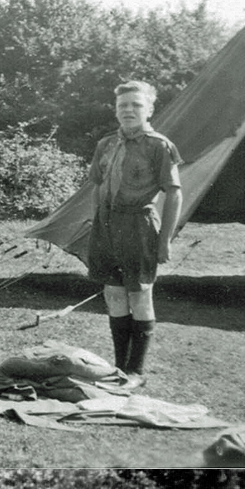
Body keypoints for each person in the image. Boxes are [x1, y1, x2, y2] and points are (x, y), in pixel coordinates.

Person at [86, 80, 182, 387]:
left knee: (139, 295)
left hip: (138, 225)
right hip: (106, 225)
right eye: (122, 105)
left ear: (150, 109)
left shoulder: (159, 146)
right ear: (115, 110)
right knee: (114, 295)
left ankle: (136, 371)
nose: (128, 110)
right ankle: (120, 368)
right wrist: (95, 223)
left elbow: (174, 194)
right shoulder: (105, 144)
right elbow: (97, 186)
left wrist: (164, 238)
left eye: (136, 105)